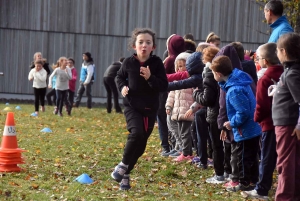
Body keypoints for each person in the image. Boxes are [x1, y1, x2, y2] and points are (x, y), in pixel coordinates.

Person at [111, 28, 168, 190]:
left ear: (153, 47)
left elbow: (163, 86)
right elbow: (119, 77)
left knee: (141, 146)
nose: (144, 45)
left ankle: (126, 173)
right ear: (134, 46)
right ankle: (122, 165)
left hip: (150, 109)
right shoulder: (129, 62)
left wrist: (151, 78)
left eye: (148, 42)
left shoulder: (157, 64)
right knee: (136, 133)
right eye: (140, 42)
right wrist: (122, 87)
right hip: (132, 106)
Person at [211, 55, 261, 192]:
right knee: (251, 156)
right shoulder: (238, 81)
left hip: (245, 130)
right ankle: (253, 180)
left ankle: (244, 182)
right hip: (253, 128)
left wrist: (231, 123)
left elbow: (243, 112)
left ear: (218, 74)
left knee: (243, 158)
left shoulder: (234, 90)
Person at [241, 43, 283, 200]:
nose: (257, 61)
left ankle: (262, 189)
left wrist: (257, 118)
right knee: (281, 156)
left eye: (258, 59)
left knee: (266, 156)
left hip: (269, 123)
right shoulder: (284, 73)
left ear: (265, 60)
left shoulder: (265, 78)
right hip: (284, 122)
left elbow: (261, 104)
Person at [271, 33, 300, 201]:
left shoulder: (292, 73)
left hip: (288, 125)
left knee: (286, 164)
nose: (276, 54)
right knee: (292, 163)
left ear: (283, 51)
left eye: (277, 50)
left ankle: (285, 197)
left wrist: (298, 125)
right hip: (287, 122)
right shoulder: (290, 71)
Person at [193, 46, 221, 171]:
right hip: (217, 110)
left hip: (214, 111)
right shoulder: (217, 70)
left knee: (215, 142)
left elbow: (207, 98)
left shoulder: (209, 72)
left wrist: (196, 94)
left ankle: (205, 159)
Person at [159, 34, 185, 156]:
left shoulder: (170, 59)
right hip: (179, 95)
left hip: (168, 94)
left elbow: (161, 77)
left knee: (166, 121)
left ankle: (167, 146)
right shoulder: (184, 58)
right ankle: (177, 145)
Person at [165, 52, 193, 160]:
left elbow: (194, 94)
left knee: (185, 133)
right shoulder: (177, 81)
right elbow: (171, 95)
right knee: (181, 133)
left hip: (187, 111)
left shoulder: (191, 81)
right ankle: (184, 151)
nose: (181, 68)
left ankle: (186, 153)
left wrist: (193, 108)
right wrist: (168, 106)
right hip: (177, 111)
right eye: (179, 66)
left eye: (184, 66)